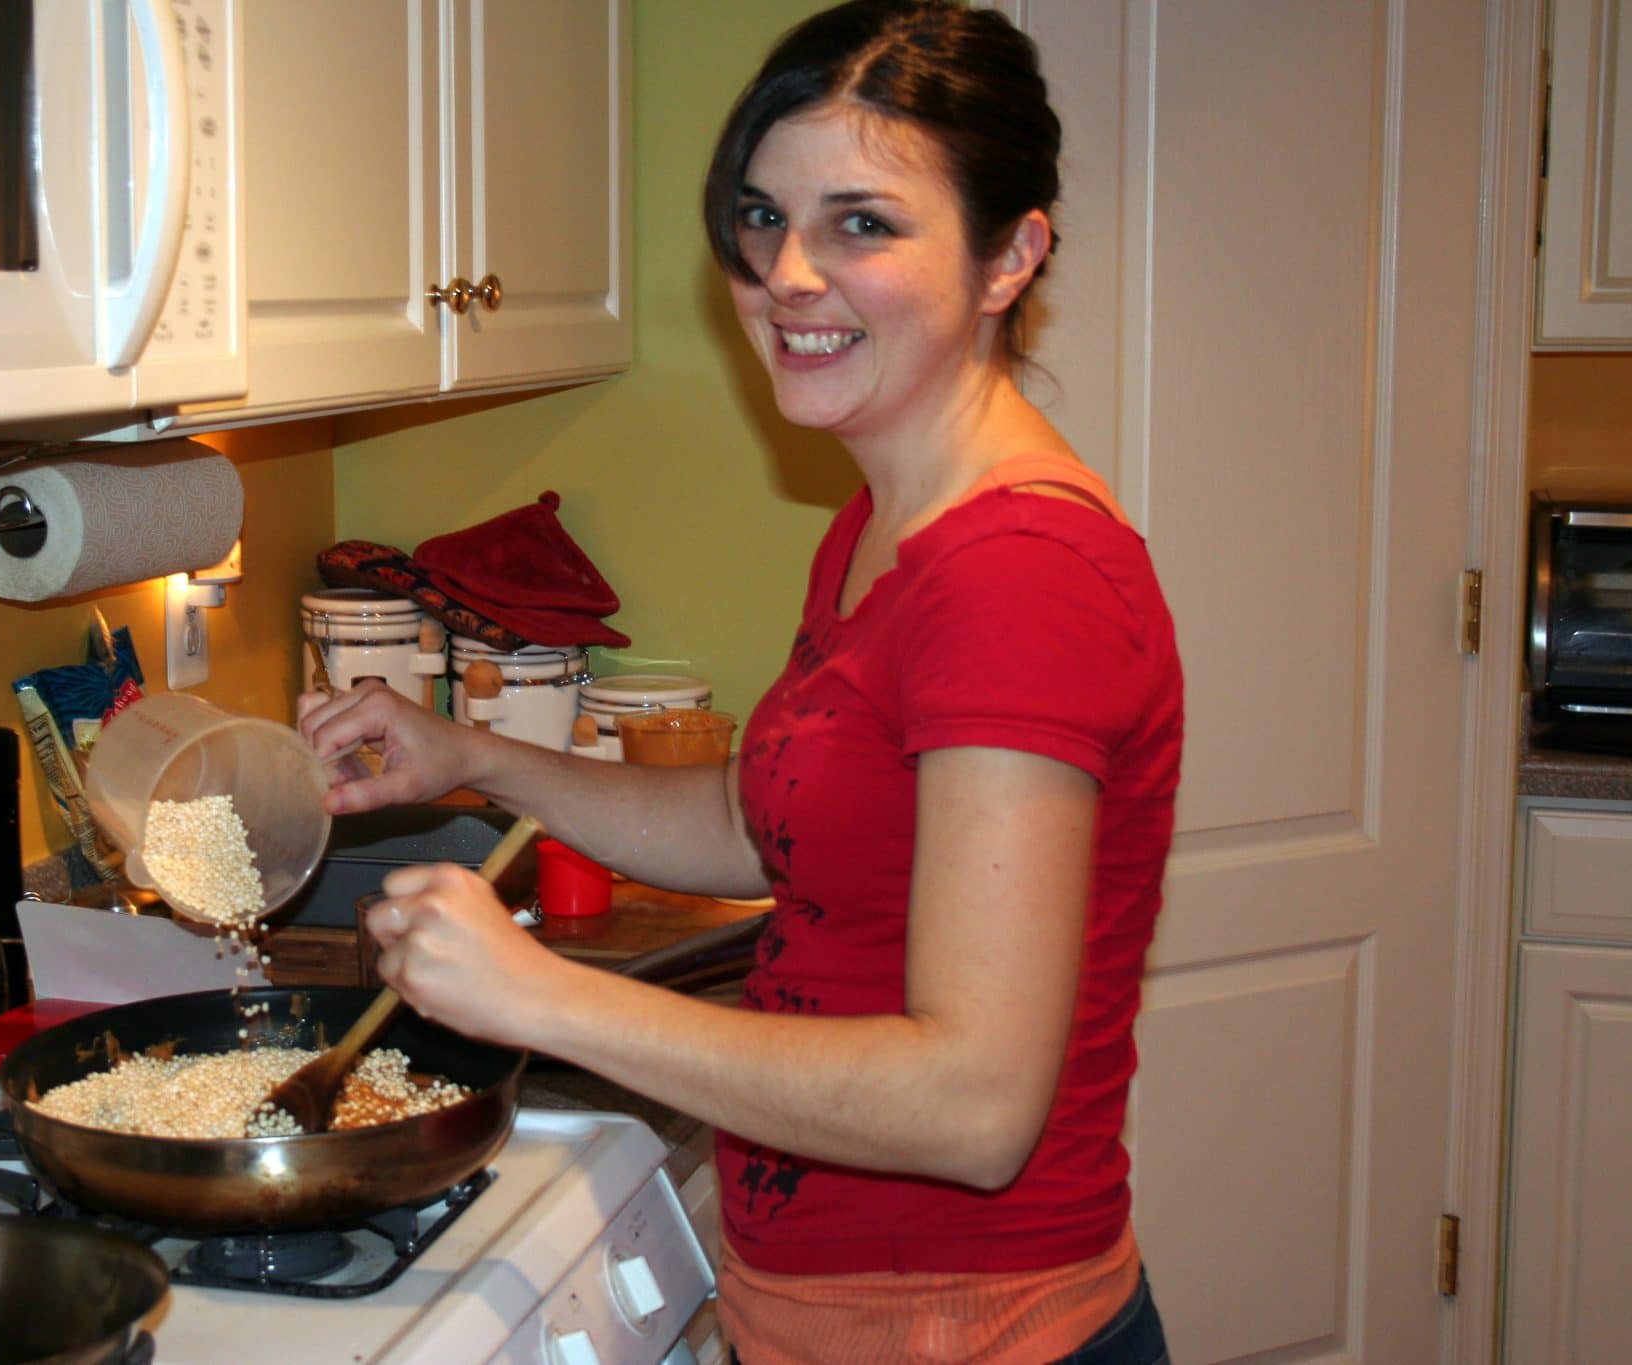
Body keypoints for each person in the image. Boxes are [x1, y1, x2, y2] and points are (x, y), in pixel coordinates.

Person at [298, 3, 1183, 1360]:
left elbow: (974, 1102)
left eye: (861, 224)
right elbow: (759, 819)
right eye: (762, 221)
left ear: (1011, 255)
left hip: (972, 1331)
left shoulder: (1019, 573)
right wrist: (472, 759)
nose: (788, 275)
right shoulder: (888, 518)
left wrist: (542, 992)